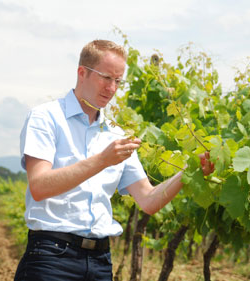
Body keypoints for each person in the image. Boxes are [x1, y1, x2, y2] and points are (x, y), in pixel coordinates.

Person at [15, 39, 214, 281]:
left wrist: (188, 172)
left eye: (118, 81)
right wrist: (102, 160)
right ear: (82, 73)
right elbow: (39, 186)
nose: (112, 88)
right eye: (106, 78)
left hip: (100, 261)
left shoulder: (116, 134)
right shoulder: (45, 118)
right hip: (51, 258)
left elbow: (149, 200)